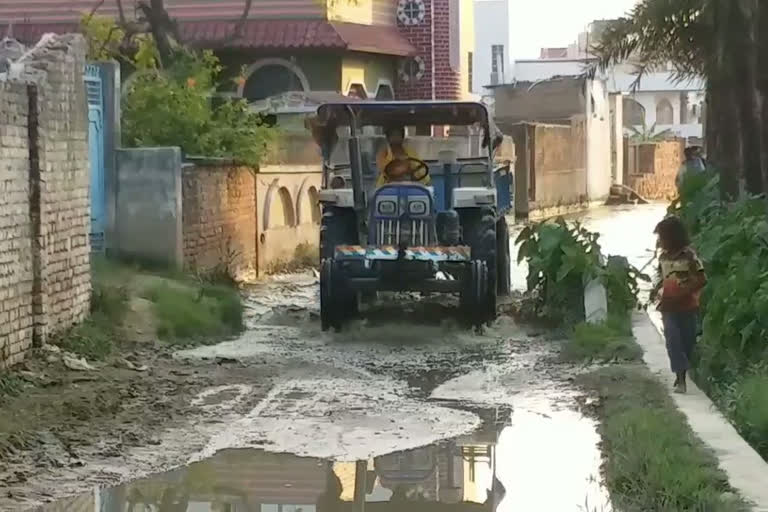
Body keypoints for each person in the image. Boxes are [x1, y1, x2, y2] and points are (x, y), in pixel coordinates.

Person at [650, 216, 707, 394]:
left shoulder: (689, 255)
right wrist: (656, 291)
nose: (660, 242)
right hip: (668, 307)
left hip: (687, 306)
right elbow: (661, 279)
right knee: (673, 340)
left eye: (663, 237)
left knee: (687, 343)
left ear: (672, 237)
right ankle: (680, 379)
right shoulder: (663, 258)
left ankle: (684, 371)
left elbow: (701, 279)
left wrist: (684, 292)